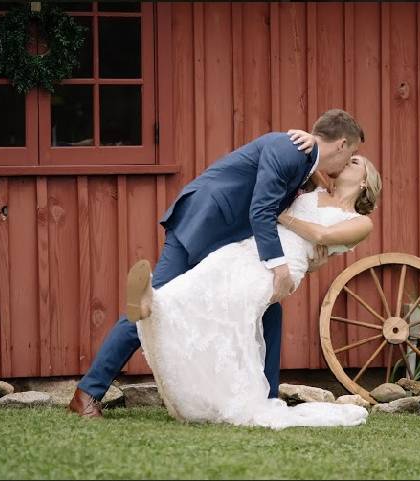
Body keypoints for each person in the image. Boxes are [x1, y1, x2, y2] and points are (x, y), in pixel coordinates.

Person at [68, 109, 364, 418]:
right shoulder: (289, 149)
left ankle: (266, 399)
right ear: (342, 144)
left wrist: (315, 156)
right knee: (155, 303)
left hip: (227, 242)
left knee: (269, 311)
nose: (347, 162)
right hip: (203, 225)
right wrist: (280, 269)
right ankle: (88, 393)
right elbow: (261, 211)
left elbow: (305, 178)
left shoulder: (302, 156)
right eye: (352, 153)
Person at [127, 154, 382, 429]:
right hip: (253, 247)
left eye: (355, 162)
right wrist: (303, 140)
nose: (346, 161)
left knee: (234, 305)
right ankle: (156, 303)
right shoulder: (317, 188)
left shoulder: (360, 222)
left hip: (283, 266)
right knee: (205, 277)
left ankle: (237, 395)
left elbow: (321, 236)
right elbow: (313, 155)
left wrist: (281, 215)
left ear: (366, 181)